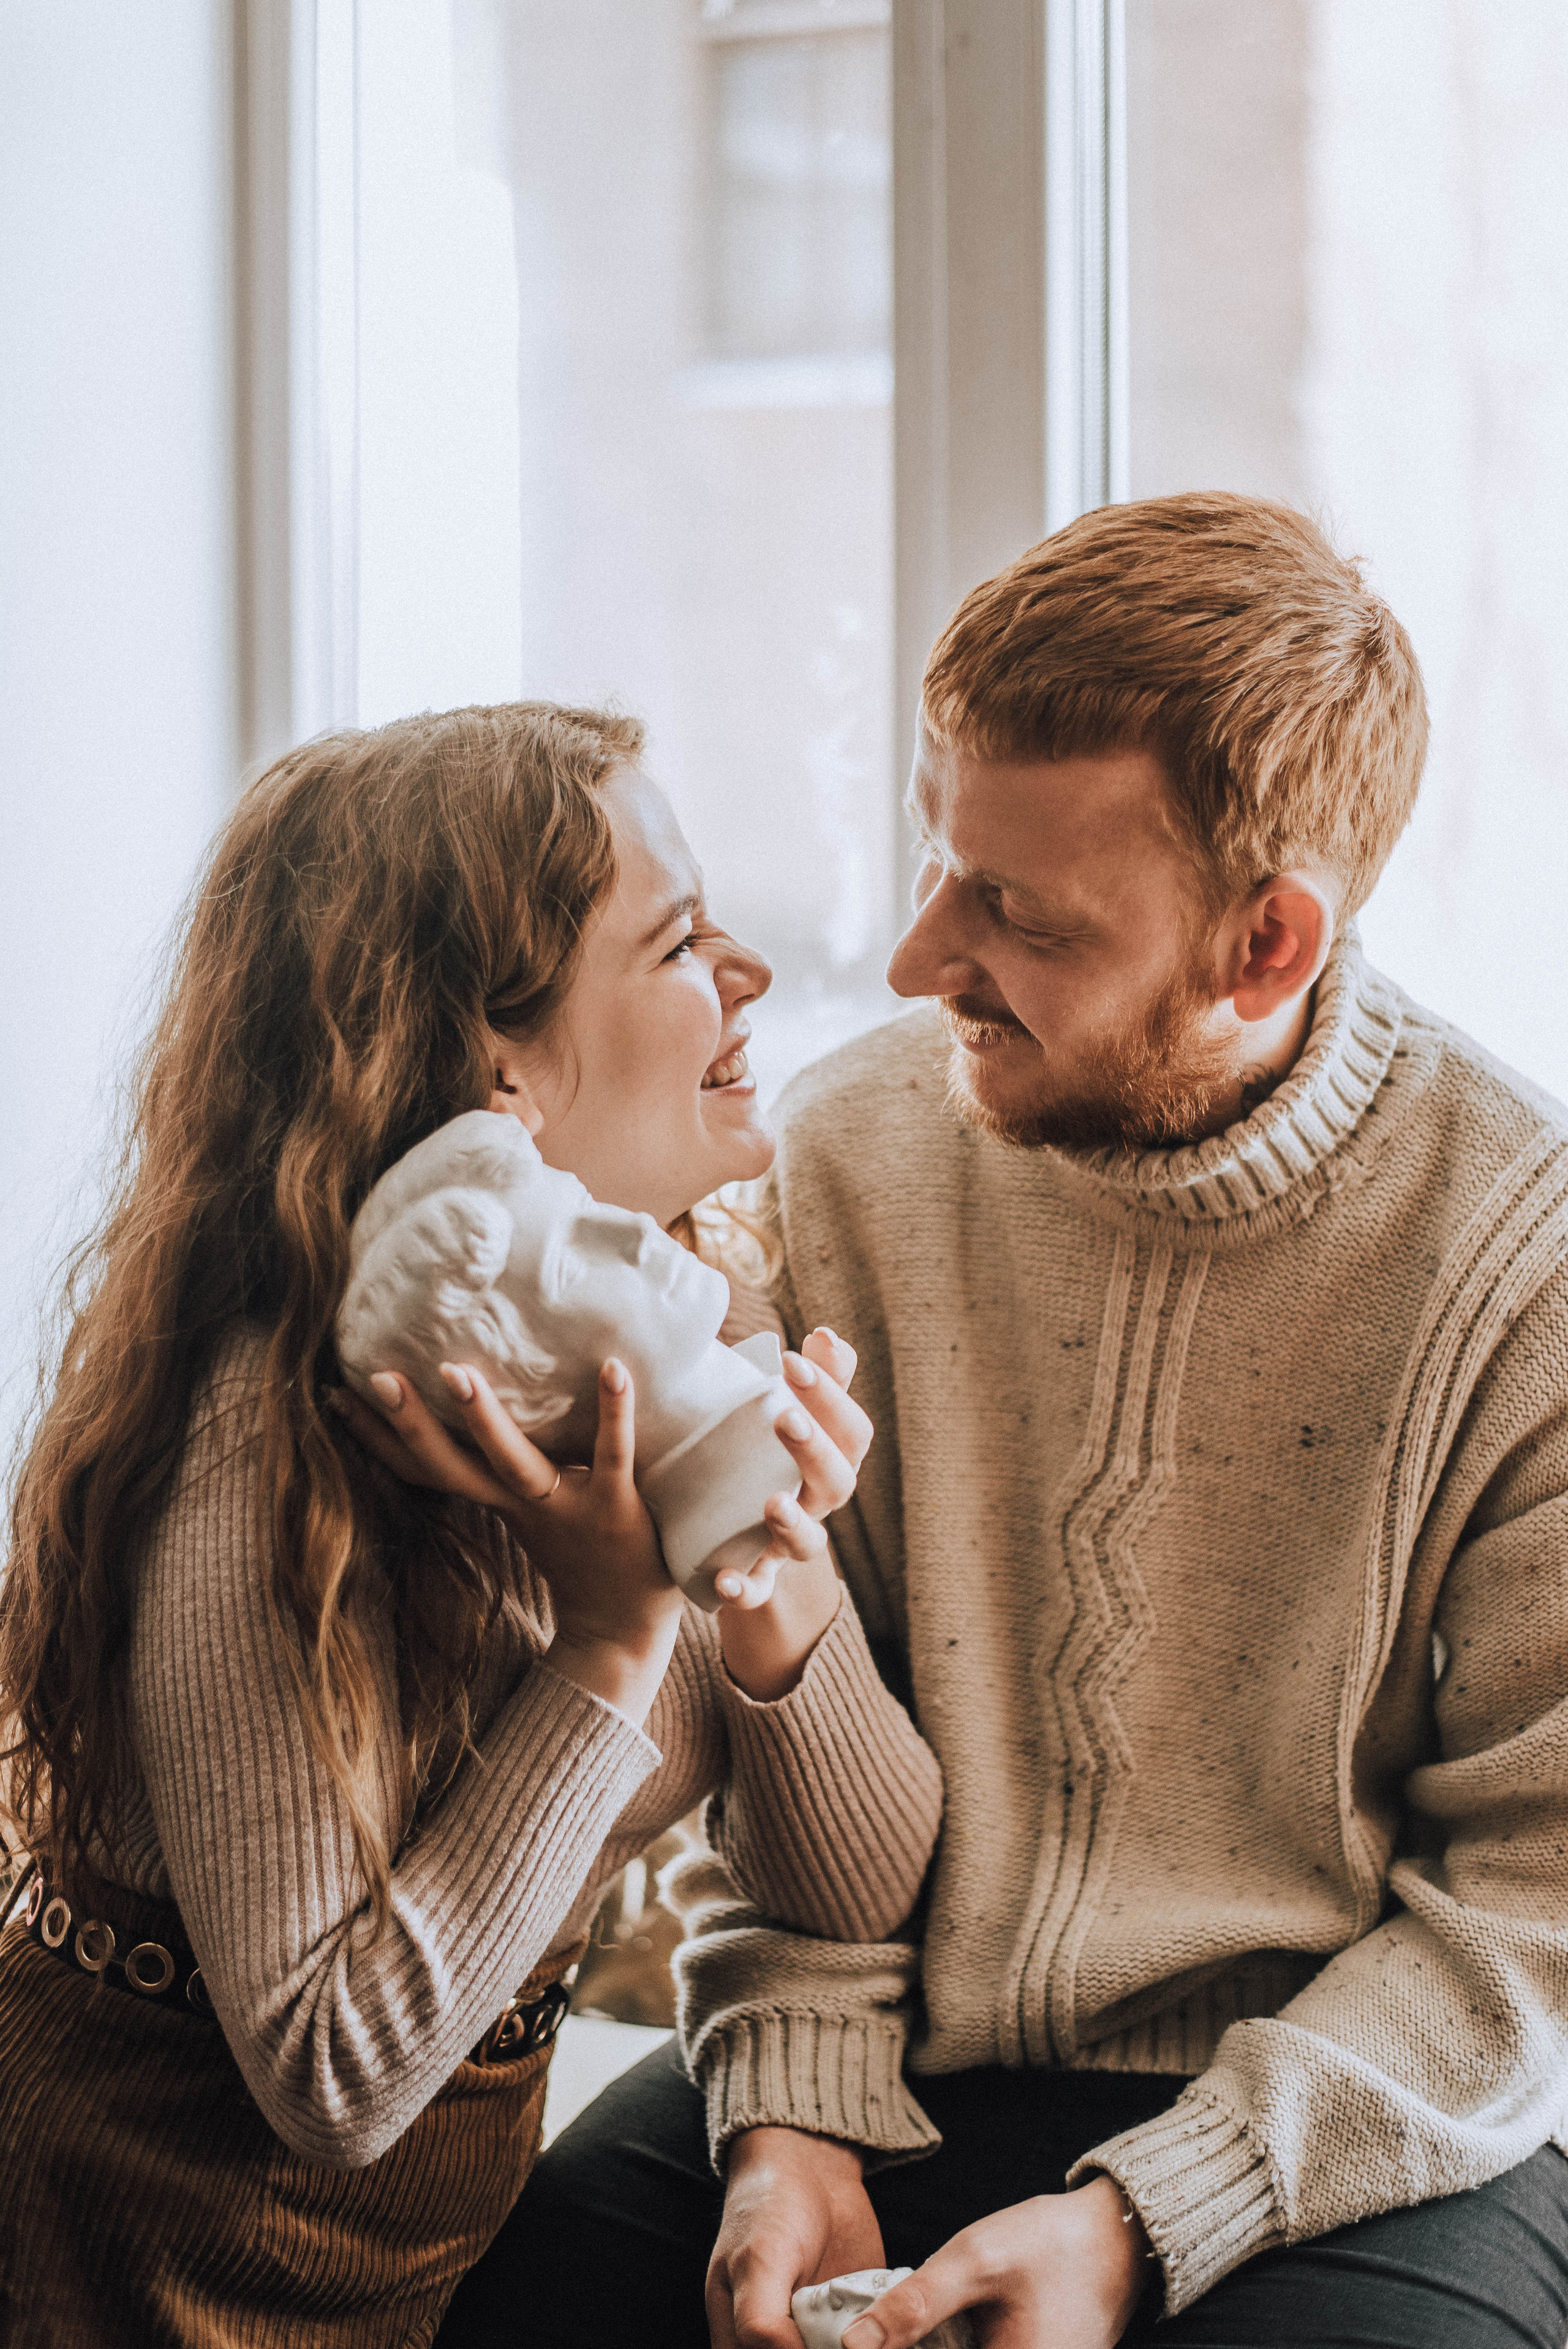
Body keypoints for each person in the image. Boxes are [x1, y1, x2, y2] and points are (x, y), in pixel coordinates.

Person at [491, 496, 1568, 2349]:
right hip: (880, 2059)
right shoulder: (843, 1156)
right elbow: (775, 1706)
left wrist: (1154, 2216)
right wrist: (787, 2093)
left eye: (1016, 911)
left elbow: (1537, 1903)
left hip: (1348, 2124)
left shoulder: (1525, 1259)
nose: (917, 959)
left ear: (1267, 939)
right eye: (937, 861)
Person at [0, 702, 943, 2346]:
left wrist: (770, 1576)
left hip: (420, 2277)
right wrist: (607, 1632)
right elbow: (333, 2069)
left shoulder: (670, 1340)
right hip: (123, 2262)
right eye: (677, 941)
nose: (750, 975)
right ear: (493, 1064)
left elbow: (855, 1883)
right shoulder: (263, 1447)